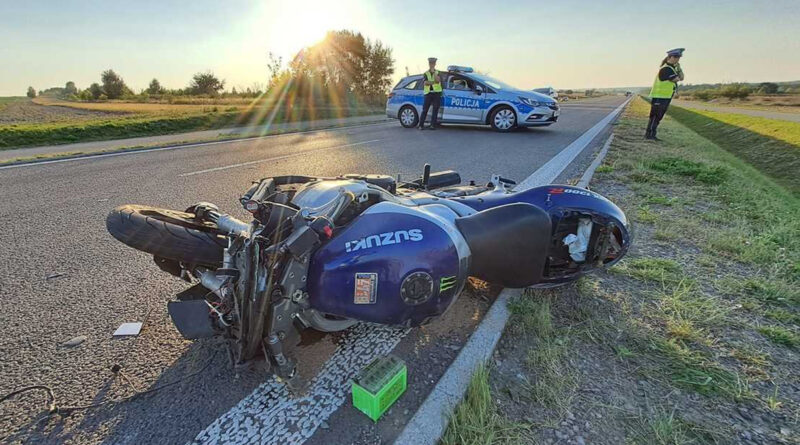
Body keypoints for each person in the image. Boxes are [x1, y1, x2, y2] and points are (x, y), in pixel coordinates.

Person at [646, 48, 685, 141]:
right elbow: (677, 79)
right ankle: (649, 135)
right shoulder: (666, 68)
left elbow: (682, 78)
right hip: (659, 96)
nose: (677, 59)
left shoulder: (672, 68)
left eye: (678, 57)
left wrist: (679, 68)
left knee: (658, 117)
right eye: (675, 57)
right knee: (655, 117)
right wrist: (678, 71)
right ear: (669, 57)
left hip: (665, 96)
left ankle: (652, 135)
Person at [419, 57, 443, 130]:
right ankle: (421, 125)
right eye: (430, 63)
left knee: (435, 110)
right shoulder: (426, 73)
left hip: (436, 93)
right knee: (425, 110)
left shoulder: (438, 72)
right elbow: (425, 83)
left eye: (433, 63)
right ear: (429, 64)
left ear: (435, 64)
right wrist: (433, 82)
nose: (431, 64)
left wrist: (434, 73)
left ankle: (433, 125)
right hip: (428, 93)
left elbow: (438, 81)